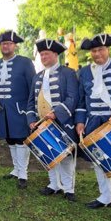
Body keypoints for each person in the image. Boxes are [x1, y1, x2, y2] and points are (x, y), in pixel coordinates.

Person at [75, 33, 111, 219]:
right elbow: (81, 101)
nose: (97, 53)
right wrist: (80, 121)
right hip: (93, 122)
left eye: (101, 49)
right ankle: (105, 196)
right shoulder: (85, 72)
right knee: (98, 160)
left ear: (107, 49)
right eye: (94, 50)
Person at [27, 39, 79, 202]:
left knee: (65, 156)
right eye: (41, 54)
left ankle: (69, 188)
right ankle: (54, 185)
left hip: (62, 121)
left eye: (46, 54)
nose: (43, 57)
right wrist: (31, 119)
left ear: (55, 54)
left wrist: (57, 113)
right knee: (47, 153)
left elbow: (73, 97)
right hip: (42, 123)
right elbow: (31, 102)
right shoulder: (37, 76)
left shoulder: (68, 73)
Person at [0, 30, 35, 189]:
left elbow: (33, 87)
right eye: (3, 44)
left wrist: (31, 110)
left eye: (8, 43)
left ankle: (23, 173)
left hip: (20, 109)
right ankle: (16, 169)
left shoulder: (25, 62)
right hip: (3, 109)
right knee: (10, 139)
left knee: (21, 139)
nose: (5, 46)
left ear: (14, 45)